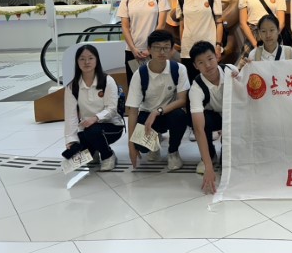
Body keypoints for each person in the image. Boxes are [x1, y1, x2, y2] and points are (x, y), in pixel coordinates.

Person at [125, 29, 190, 170]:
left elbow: (182, 100)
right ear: (149, 49)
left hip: (168, 112)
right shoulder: (140, 74)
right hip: (146, 114)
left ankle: (173, 152)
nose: (161, 52)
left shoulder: (179, 69)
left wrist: (157, 111)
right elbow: (133, 111)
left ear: (172, 50)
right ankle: (153, 145)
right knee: (140, 145)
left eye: (166, 47)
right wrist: (131, 146)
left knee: (180, 116)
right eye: (157, 47)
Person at [63, 45, 124, 171]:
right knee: (79, 142)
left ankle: (108, 156)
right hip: (87, 128)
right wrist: (71, 140)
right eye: (82, 59)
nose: (86, 62)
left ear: (97, 60)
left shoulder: (107, 81)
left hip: (112, 126)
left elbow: (112, 109)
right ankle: (94, 151)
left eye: (90, 58)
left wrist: (95, 118)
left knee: (93, 131)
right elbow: (70, 116)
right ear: (77, 62)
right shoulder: (72, 87)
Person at [189, 41, 239, 193]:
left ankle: (227, 151)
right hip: (214, 117)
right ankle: (210, 155)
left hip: (233, 115)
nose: (208, 65)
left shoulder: (231, 70)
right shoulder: (196, 88)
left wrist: (241, 78)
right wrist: (208, 166)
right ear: (195, 66)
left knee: (228, 164)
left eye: (210, 59)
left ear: (217, 57)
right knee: (200, 121)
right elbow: (198, 129)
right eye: (201, 62)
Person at [117, 0, 170, 86]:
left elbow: (161, 26)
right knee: (135, 86)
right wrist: (133, 49)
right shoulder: (126, 0)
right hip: (132, 52)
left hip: (155, 51)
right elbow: (125, 27)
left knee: (155, 86)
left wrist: (150, 49)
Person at [175, 0, 224, 81]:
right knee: (191, 83)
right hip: (188, 50)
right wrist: (183, 45)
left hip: (208, 49)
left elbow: (219, 23)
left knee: (212, 81)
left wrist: (218, 45)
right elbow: (182, 25)